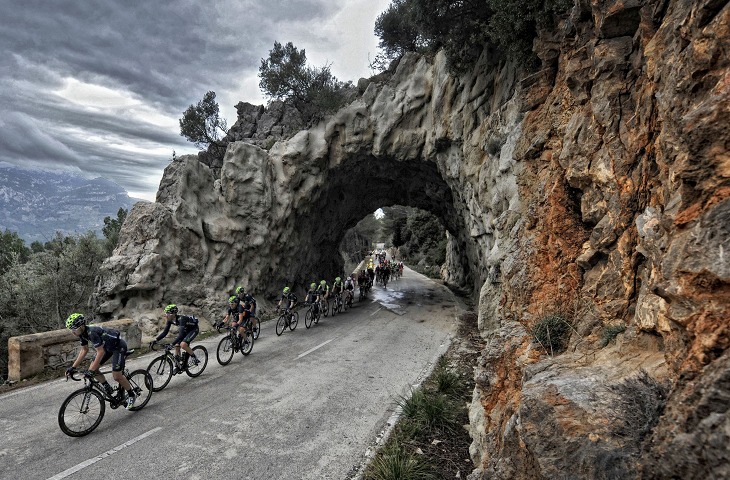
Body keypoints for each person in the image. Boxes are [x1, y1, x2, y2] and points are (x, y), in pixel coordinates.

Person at [65, 313, 137, 410]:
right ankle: (106, 386)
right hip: (107, 348)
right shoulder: (82, 334)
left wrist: (91, 371)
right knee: (93, 369)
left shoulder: (92, 332)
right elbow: (84, 350)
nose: (73, 332)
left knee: (117, 376)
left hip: (118, 347)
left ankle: (132, 394)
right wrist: (73, 367)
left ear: (81, 326)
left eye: (74, 329)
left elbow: (100, 351)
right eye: (71, 330)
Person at [150, 304, 200, 373]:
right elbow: (165, 332)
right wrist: (156, 340)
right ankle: (178, 365)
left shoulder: (181, 319)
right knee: (177, 346)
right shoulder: (170, 320)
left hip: (193, 329)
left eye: (166, 313)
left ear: (172, 314)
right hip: (186, 329)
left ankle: (194, 358)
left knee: (183, 344)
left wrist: (171, 344)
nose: (165, 315)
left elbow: (181, 335)